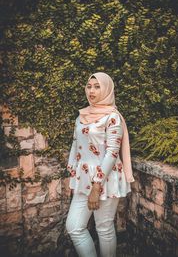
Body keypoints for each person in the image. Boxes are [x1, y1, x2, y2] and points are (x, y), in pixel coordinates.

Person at [65, 72, 135, 257]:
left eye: (97, 87)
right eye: (89, 86)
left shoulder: (113, 117)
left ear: (106, 89)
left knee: (104, 228)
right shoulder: (81, 116)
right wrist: (72, 176)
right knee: (74, 227)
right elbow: (75, 145)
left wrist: (96, 187)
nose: (91, 91)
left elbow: (112, 153)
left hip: (106, 178)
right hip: (83, 179)